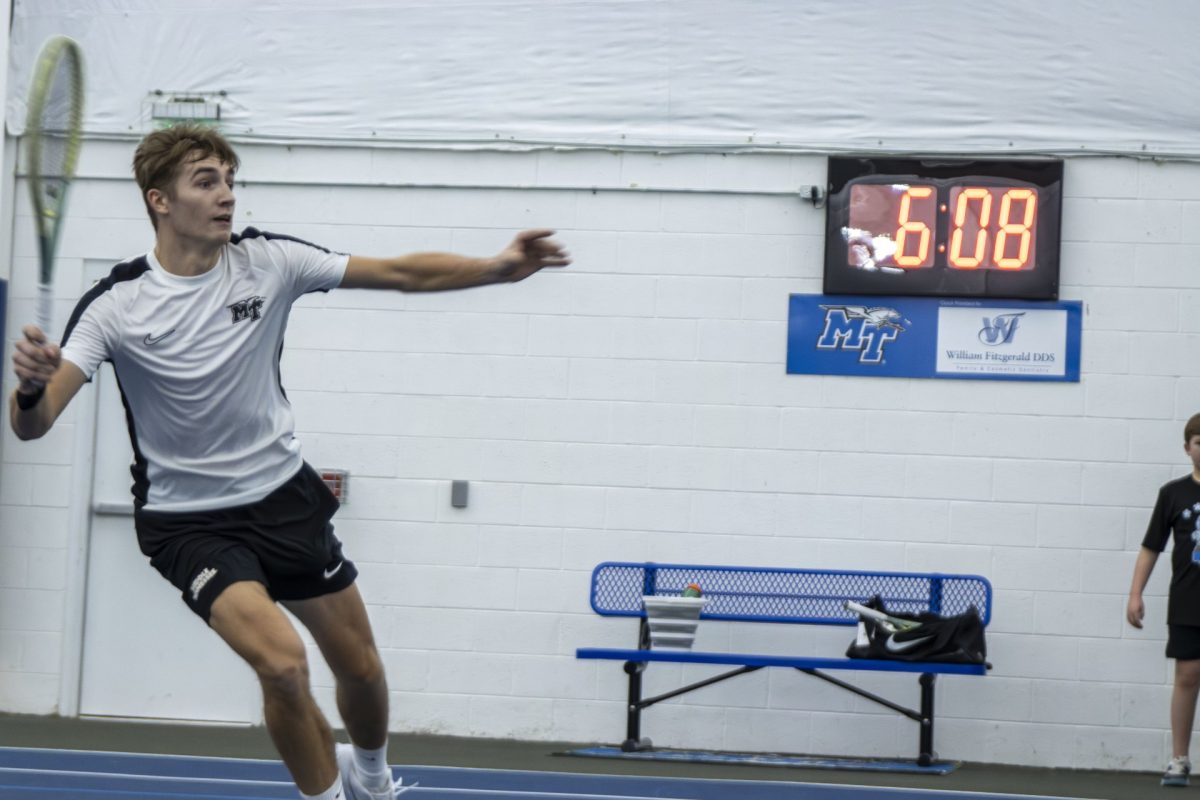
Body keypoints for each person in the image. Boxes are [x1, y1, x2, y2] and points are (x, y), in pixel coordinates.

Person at [8, 123, 569, 800]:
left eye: (230, 181)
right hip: (188, 524)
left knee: (358, 667)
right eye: (206, 181)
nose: (227, 196)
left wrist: (497, 268)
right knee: (282, 665)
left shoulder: (269, 261)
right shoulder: (115, 306)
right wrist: (32, 387)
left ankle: (370, 778)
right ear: (159, 200)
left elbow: (396, 274)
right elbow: (33, 427)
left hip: (284, 499)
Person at [1127, 412, 1200, 788]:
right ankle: (1179, 758)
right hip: (1188, 601)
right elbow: (1151, 547)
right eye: (1199, 441)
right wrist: (1136, 593)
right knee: (1187, 676)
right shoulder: (1173, 493)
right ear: (1188, 448)